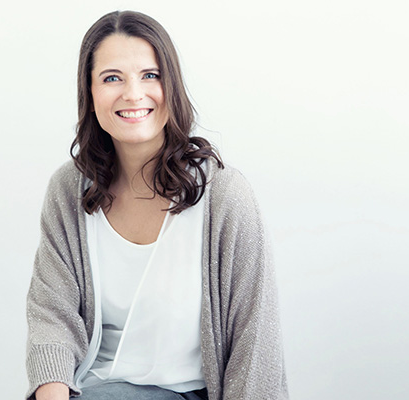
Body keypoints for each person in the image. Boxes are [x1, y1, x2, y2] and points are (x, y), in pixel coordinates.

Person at [26, 10, 288, 400]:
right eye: (112, 78)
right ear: (90, 93)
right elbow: (52, 316)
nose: (133, 94)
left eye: (150, 75)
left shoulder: (224, 196)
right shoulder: (68, 190)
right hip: (94, 390)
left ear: (172, 87)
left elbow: (255, 343)